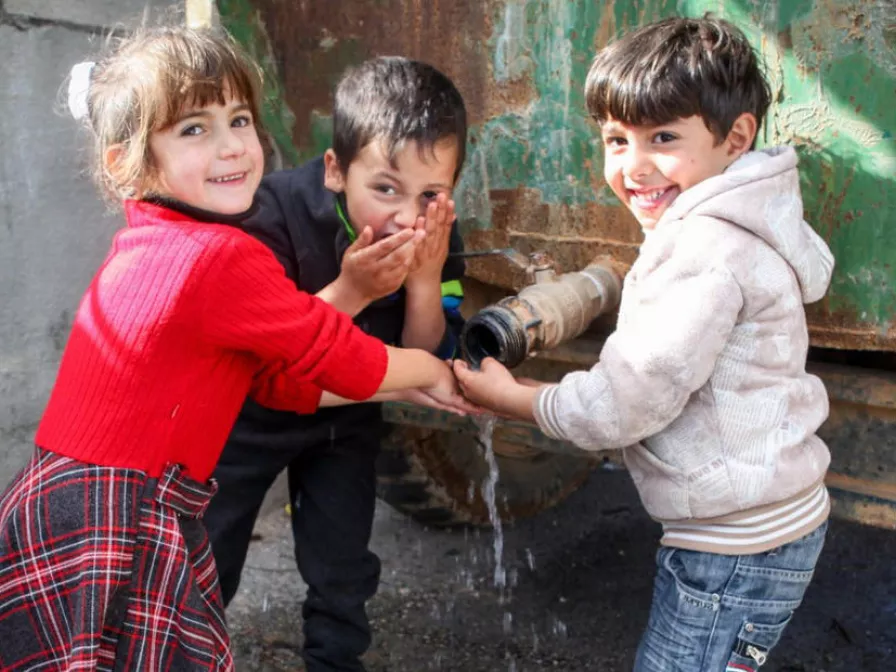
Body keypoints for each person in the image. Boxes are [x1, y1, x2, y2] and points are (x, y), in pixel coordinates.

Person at [0, 26, 474, 672]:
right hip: (120, 504)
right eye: (193, 129)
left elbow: (279, 374)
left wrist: (418, 301)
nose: (230, 147)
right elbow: (340, 356)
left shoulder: (153, 238)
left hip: (80, 495)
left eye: (239, 119)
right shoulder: (222, 254)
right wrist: (436, 372)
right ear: (126, 164)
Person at [454, 16, 835, 672]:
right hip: (759, 522)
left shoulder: (704, 249)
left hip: (735, 547)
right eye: (615, 139)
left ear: (736, 137)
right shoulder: (741, 221)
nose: (633, 166)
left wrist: (515, 399)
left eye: (663, 137)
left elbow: (624, 402)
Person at [203, 56, 468, 672]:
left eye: (430, 192)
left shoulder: (434, 229)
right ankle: (186, 654)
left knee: (342, 563)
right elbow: (269, 357)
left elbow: (425, 349)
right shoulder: (270, 213)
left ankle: (335, 661)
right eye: (384, 188)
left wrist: (426, 280)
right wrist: (354, 289)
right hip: (251, 418)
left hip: (346, 416)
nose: (406, 215)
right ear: (334, 170)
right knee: (210, 556)